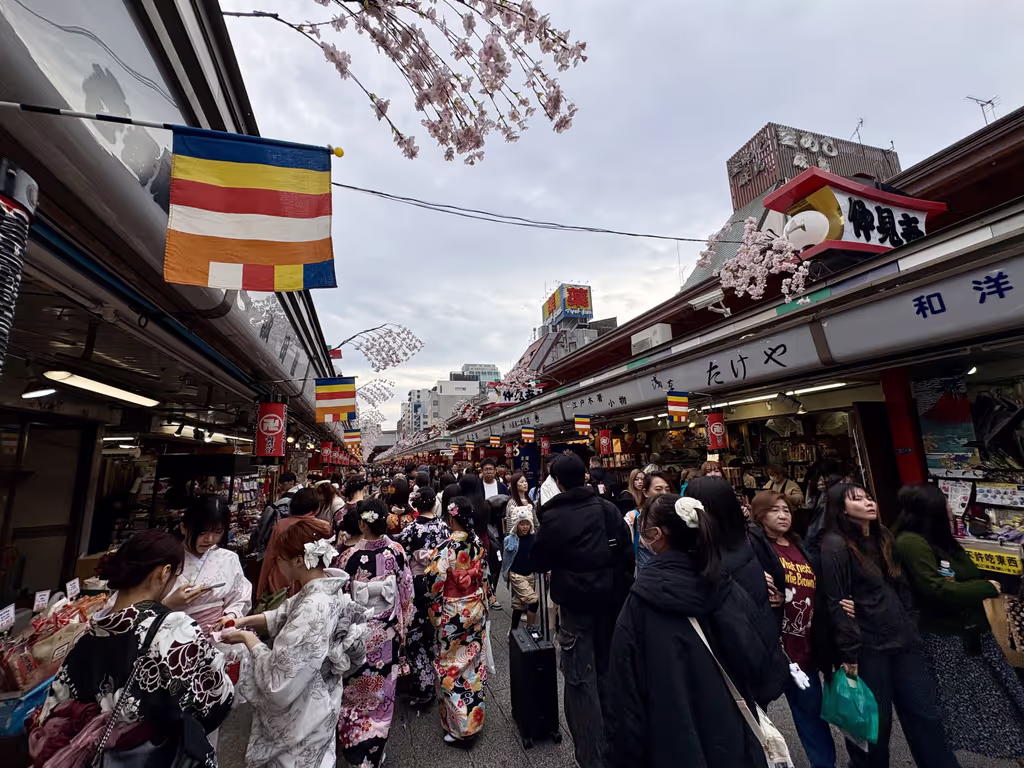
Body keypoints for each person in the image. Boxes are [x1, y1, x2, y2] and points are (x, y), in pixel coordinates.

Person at [606, 494, 786, 768]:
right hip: (734, 735)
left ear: (657, 535)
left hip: (670, 739)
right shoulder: (725, 585)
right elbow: (761, 661)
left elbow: (624, 696)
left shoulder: (640, 603)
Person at [32, 531, 232, 768]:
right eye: (176, 575)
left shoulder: (87, 634)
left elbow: (56, 703)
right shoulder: (176, 628)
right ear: (163, 572)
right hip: (150, 758)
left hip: (92, 759)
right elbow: (218, 697)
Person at [820, 483, 959, 768]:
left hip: (904, 640)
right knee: (873, 727)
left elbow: (902, 587)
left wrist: (910, 622)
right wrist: (849, 653)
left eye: (869, 497)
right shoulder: (836, 545)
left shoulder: (883, 536)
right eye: (857, 500)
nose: (868, 503)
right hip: (868, 648)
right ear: (841, 509)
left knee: (926, 716)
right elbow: (837, 602)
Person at [218, 517, 370, 768]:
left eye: (280, 559)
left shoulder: (313, 607)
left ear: (299, 560)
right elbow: (282, 614)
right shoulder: (326, 587)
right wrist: (242, 621)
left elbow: (280, 679)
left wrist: (247, 639)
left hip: (306, 704)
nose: (278, 564)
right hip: (322, 697)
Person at [894, 483, 1024, 760]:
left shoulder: (941, 539)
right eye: (944, 503)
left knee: (1002, 699)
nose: (951, 508)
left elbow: (962, 575)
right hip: (949, 640)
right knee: (977, 706)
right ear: (929, 508)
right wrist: (986, 587)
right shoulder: (910, 543)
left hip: (975, 634)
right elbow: (936, 589)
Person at [531, 453, 635, 768]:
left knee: (579, 680)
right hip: (612, 605)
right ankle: (617, 743)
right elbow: (627, 556)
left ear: (557, 481)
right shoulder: (608, 510)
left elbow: (538, 562)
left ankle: (591, 756)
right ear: (586, 477)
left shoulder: (554, 517)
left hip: (575, 608)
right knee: (608, 671)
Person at [751, 491, 838, 768]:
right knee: (756, 713)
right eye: (775, 510)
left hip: (804, 647)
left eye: (786, 510)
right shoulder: (753, 547)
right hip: (773, 647)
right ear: (760, 515)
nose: (783, 515)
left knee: (811, 714)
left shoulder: (800, 545)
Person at [685, 477, 787, 707]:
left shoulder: (698, 554)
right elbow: (778, 576)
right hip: (763, 643)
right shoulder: (750, 535)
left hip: (725, 659)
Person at [335, 498, 414, 767]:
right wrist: (403, 627)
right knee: (383, 695)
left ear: (361, 523)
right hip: (388, 632)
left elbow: (340, 602)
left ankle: (357, 749)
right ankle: (375, 750)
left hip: (357, 635)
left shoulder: (347, 557)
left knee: (355, 693)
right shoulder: (397, 552)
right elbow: (406, 594)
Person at [425, 495, 490, 744]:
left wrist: (435, 611)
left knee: (451, 665)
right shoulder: (476, 543)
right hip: (474, 607)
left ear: (451, 517)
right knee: (472, 664)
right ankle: (474, 718)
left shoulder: (445, 548)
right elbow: (483, 577)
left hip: (453, 612)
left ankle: (461, 727)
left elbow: (433, 585)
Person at [394, 488, 451, 708]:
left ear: (417, 506)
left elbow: (403, 559)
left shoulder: (410, 530)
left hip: (418, 583)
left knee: (416, 634)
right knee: (436, 629)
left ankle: (424, 685)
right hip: (440, 583)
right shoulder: (444, 527)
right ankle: (441, 677)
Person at [165, 495, 252, 638]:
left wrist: (230, 616)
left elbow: (240, 596)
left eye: (218, 532)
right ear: (184, 528)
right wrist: (168, 604)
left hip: (218, 637)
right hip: (172, 639)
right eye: (202, 532)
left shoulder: (228, 558)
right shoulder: (165, 560)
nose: (209, 539)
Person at [257, 487, 320, 600]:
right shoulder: (322, 527)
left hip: (281, 580)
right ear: (316, 507)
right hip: (308, 581)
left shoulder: (281, 526)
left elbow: (270, 558)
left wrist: (260, 591)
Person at [459, 472, 502, 611]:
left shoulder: (461, 505)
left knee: (466, 571)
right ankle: (487, 596)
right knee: (483, 570)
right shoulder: (484, 504)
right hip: (483, 540)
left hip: (464, 542)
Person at [248, 471, 302, 559]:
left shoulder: (284, 502)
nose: (281, 486)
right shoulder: (299, 496)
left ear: (292, 482)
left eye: (283, 483)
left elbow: (265, 523)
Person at [624, 472, 670, 573]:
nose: (664, 493)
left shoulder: (674, 516)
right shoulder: (634, 517)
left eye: (667, 489)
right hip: (644, 576)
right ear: (645, 492)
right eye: (658, 489)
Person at [502, 509, 539, 631]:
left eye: (527, 524)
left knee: (518, 605)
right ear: (516, 525)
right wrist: (506, 576)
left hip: (530, 574)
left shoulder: (534, 538)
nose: (525, 527)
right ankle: (530, 629)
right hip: (516, 575)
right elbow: (506, 559)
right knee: (533, 601)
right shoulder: (510, 539)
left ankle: (513, 631)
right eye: (522, 524)